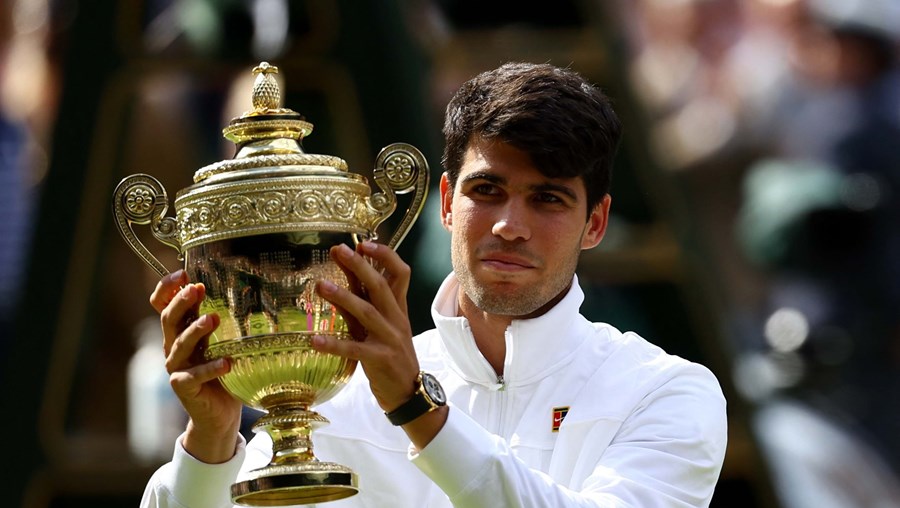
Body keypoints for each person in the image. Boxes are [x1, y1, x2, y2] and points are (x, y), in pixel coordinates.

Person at [141, 62, 728, 507]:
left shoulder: (667, 392)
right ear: (446, 203)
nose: (509, 226)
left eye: (547, 198)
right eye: (487, 191)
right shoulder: (335, 397)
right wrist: (211, 442)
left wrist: (414, 407)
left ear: (595, 223)